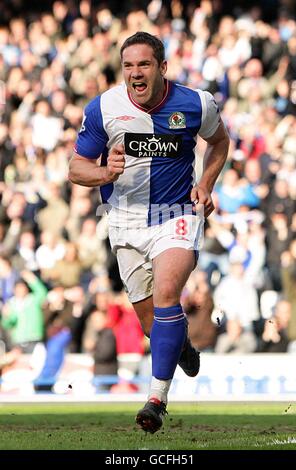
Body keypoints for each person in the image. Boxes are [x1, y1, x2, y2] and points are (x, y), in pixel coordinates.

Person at [69, 31, 229, 433]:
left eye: (143, 65)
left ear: (162, 67)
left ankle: (156, 399)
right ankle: (180, 346)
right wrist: (105, 171)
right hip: (125, 220)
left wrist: (206, 184)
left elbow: (219, 143)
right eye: (128, 66)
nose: (134, 73)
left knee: (168, 294)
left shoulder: (195, 104)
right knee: (151, 324)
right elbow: (76, 167)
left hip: (177, 212)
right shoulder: (104, 107)